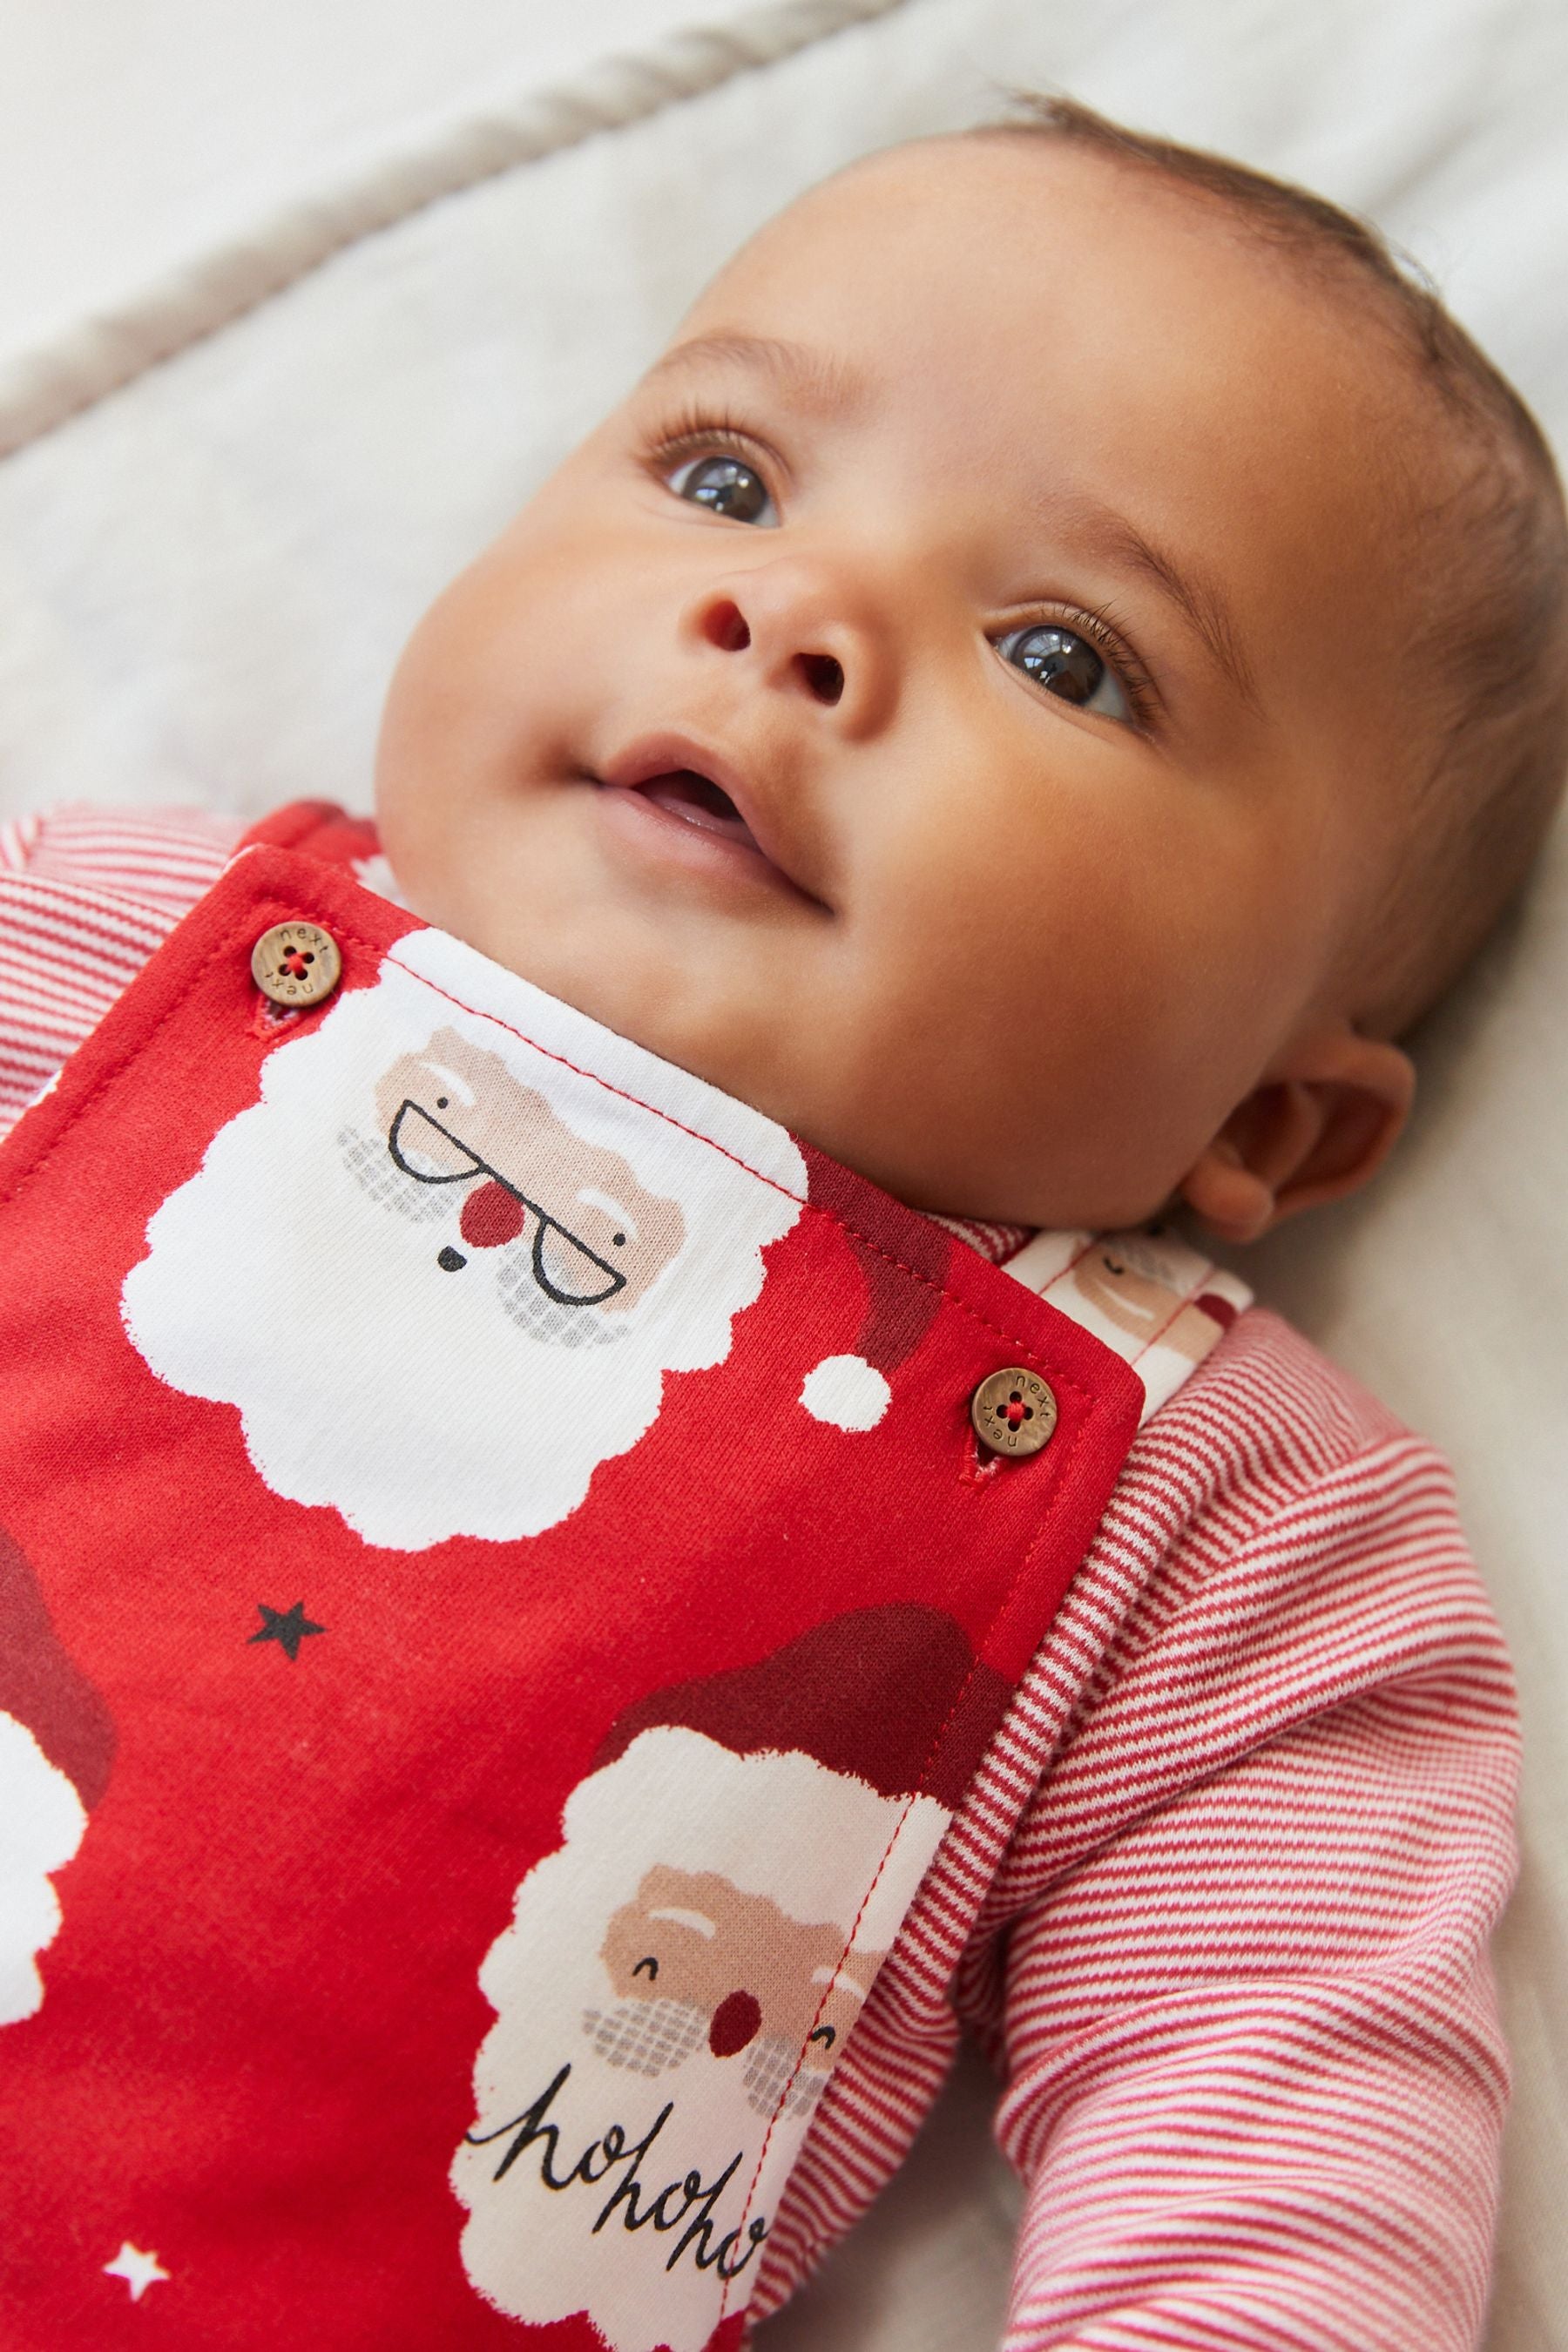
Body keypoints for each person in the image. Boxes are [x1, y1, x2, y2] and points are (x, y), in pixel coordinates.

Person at [0, 96, 1559, 2351]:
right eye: (726, 480)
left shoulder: (1228, 1535)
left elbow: (1277, 2107)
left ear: (1277, 1121)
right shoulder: (95, 951)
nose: (796, 612)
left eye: (1068, 655)